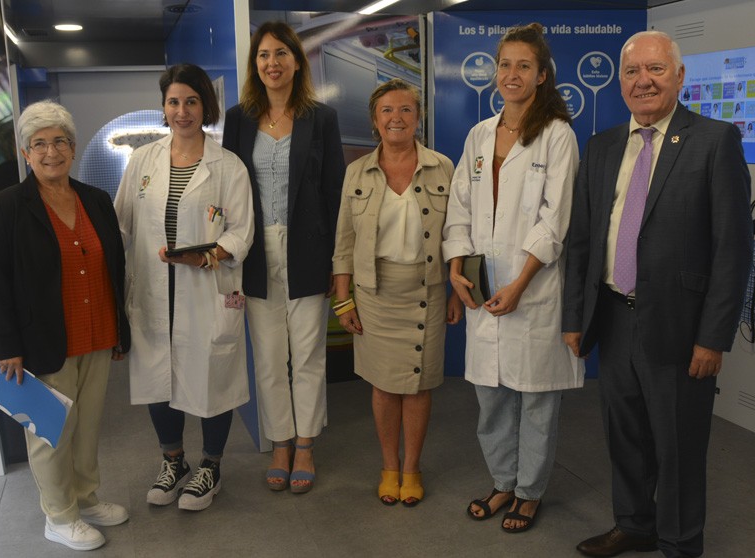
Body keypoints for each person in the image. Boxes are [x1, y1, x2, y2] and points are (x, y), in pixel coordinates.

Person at [563, 31, 752, 557]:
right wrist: (575, 317)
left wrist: (713, 337)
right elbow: (583, 239)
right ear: (621, 81)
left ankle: (679, 541)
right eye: (632, 72)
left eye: (655, 70)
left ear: (679, 76)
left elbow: (733, 251)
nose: (642, 81)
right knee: (624, 436)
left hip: (680, 327)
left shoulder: (715, 141)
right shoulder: (600, 146)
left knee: (678, 446)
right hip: (614, 318)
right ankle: (635, 524)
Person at [443, 23, 583, 534]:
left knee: (537, 402)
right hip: (483, 288)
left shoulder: (557, 135)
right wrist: (456, 268)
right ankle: (503, 481)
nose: (512, 74)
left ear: (542, 75)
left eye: (524, 66)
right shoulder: (480, 134)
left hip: (534, 287)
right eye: (505, 64)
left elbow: (555, 221)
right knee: (492, 399)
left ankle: (529, 492)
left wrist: (521, 283)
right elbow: (459, 206)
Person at [0, 100, 131, 551]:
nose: (51, 152)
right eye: (40, 144)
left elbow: (114, 268)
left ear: (73, 146)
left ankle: (85, 498)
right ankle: (59, 516)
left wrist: (120, 331)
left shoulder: (96, 199)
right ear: (26, 153)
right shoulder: (7, 206)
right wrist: (6, 344)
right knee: (51, 432)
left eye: (60, 141)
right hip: (42, 340)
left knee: (87, 428)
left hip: (97, 331)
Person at [115, 64, 255, 512]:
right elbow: (121, 225)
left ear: (205, 107)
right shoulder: (143, 161)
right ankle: (172, 462)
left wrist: (208, 255)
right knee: (160, 379)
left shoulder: (227, 165)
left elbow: (242, 231)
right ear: (164, 107)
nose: (182, 111)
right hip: (155, 293)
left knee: (211, 379)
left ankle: (211, 467)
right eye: (174, 102)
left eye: (191, 101)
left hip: (204, 290)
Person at [222, 21, 345, 494]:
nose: (271, 63)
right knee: (270, 358)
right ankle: (280, 444)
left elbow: (334, 193)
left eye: (280, 54)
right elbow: (228, 193)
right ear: (255, 66)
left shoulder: (322, 118)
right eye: (263, 55)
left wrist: (338, 264)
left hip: (308, 251)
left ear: (297, 60)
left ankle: (307, 445)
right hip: (254, 252)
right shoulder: (238, 119)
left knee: (309, 354)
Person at [332, 78, 461, 507]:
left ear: (418, 117)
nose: (396, 118)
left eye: (406, 110)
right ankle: (389, 466)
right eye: (387, 111)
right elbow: (344, 242)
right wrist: (343, 298)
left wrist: (458, 290)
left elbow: (461, 236)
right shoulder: (357, 172)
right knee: (385, 387)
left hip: (428, 289)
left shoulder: (443, 166)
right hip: (375, 293)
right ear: (374, 120)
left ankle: (412, 469)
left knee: (419, 386)